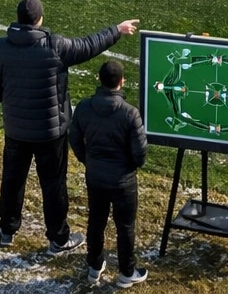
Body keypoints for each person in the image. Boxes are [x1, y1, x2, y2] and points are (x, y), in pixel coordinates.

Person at [0, 0, 137, 252]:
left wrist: (10, 101)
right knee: (53, 184)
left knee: (12, 179)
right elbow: (88, 45)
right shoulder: (55, 46)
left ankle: (7, 229)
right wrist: (116, 30)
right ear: (39, 19)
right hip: (50, 133)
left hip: (16, 130)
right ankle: (58, 238)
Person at [70, 58, 148, 288]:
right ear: (122, 82)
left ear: (99, 80)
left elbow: (74, 138)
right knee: (125, 226)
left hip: (95, 176)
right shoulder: (129, 113)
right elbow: (140, 152)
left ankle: (94, 266)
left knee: (96, 220)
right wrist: (129, 167)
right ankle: (126, 272)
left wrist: (89, 160)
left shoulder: (84, 107)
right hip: (123, 180)